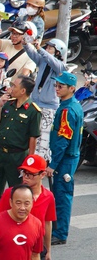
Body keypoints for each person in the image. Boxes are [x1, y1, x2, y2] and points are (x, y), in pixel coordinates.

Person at [0, 76, 41, 225]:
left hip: (17, 155)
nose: (11, 88)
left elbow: (33, 137)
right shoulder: (8, 104)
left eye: (14, 86)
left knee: (16, 188)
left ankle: (14, 216)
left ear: (23, 90)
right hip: (1, 151)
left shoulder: (33, 111)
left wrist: (30, 160)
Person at [49, 72, 83, 245]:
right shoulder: (73, 105)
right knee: (60, 194)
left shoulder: (67, 110)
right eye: (56, 85)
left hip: (65, 159)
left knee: (62, 196)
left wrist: (52, 164)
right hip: (70, 156)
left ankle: (60, 233)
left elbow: (63, 141)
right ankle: (57, 230)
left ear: (71, 88)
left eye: (60, 86)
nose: (57, 89)